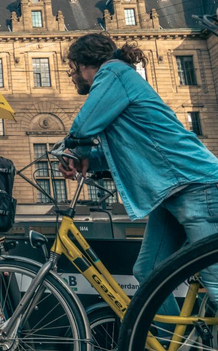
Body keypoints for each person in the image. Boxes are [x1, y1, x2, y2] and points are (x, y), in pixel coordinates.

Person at [59, 33, 218, 311]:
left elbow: (83, 126)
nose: (72, 76)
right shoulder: (119, 84)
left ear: (86, 63)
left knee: (215, 281)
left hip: (196, 187)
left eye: (72, 68)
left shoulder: (113, 73)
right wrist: (89, 161)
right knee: (149, 273)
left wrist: (73, 150)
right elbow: (128, 153)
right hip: (172, 194)